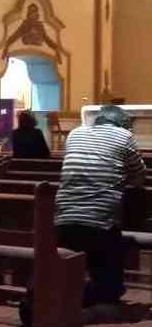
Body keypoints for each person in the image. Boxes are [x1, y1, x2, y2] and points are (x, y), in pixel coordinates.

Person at [55, 105, 146, 308]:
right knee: (111, 286)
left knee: (86, 253)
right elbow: (139, 177)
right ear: (122, 125)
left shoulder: (75, 134)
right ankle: (90, 296)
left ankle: (72, 292)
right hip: (101, 222)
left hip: (63, 217)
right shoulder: (124, 136)